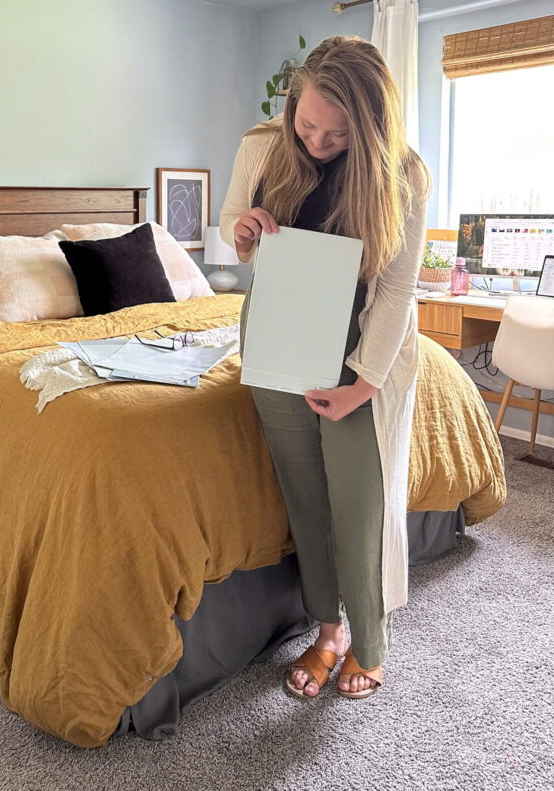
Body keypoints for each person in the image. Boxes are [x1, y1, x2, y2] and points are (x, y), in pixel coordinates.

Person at [220, 35, 430, 700]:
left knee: (360, 503)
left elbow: (398, 288)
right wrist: (245, 231)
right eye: (306, 124)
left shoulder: (404, 175)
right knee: (306, 500)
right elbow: (231, 226)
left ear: (369, 127)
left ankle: (370, 641)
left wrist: (363, 382)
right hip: (279, 333)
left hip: (362, 347)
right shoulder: (262, 145)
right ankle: (327, 631)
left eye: (337, 134)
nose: (316, 140)